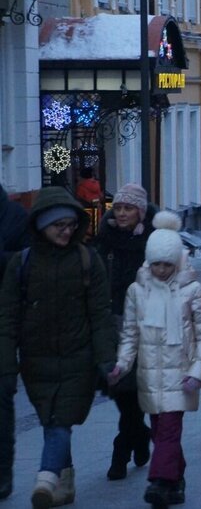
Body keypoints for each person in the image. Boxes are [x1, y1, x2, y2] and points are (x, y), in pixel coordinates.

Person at [0, 187, 115, 507]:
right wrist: (7, 364)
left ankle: (46, 478)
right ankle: (65, 482)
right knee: (52, 420)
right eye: (57, 226)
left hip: (79, 359)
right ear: (40, 225)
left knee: (58, 422)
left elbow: (101, 315)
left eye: (69, 224)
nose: (65, 231)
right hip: (36, 363)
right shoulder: (21, 264)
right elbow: (7, 318)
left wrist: (107, 361)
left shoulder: (87, 260)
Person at [109, 211, 201, 506]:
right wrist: (122, 364)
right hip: (149, 375)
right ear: (149, 261)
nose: (161, 270)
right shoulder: (136, 292)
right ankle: (176, 478)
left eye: (168, 263)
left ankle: (159, 482)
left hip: (180, 376)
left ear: (178, 261)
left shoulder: (192, 290)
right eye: (156, 263)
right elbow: (130, 334)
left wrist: (198, 372)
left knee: (168, 430)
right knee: (160, 432)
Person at [92, 183, 157, 480]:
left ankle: (122, 449)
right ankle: (138, 435)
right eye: (117, 208)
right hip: (113, 321)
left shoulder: (154, 243)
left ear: (140, 212)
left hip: (147, 323)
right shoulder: (103, 240)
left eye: (128, 208)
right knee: (121, 390)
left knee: (138, 388)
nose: (121, 213)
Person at [0, 184, 28, 499]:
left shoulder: (15, 215)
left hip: (5, 322)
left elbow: (27, 261)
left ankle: (3, 472)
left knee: (2, 397)